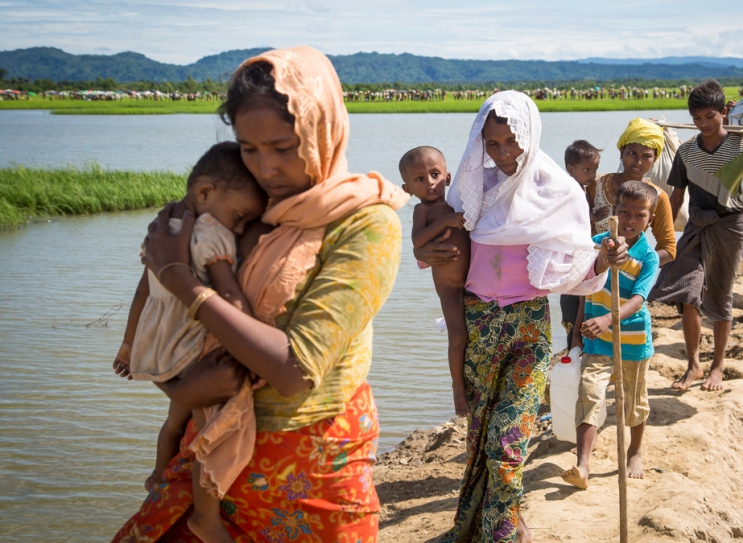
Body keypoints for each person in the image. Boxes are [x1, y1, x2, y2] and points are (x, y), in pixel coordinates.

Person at [112, 45, 409, 543]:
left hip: (311, 465)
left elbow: (295, 371)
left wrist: (183, 280)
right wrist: (181, 392)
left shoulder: (366, 223)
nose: (267, 168)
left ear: (322, 131)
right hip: (210, 453)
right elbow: (169, 338)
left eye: (284, 146)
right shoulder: (234, 214)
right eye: (249, 149)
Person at [416, 90, 628, 543]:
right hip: (479, 323)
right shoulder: (476, 188)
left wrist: (605, 260)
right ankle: (495, 522)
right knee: (480, 439)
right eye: (492, 145)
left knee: (507, 442)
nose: (504, 153)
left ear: (530, 134)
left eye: (512, 141)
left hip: (528, 327)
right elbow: (442, 247)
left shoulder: (559, 191)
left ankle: (506, 533)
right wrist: (425, 249)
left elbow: (574, 267)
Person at [112, 141, 267, 543]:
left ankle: (158, 478)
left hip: (158, 348)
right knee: (211, 433)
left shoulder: (164, 226)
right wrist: (254, 348)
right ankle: (206, 516)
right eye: (239, 216)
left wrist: (129, 346)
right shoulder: (212, 234)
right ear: (205, 193)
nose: (238, 228)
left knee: (174, 421)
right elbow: (229, 296)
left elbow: (142, 293)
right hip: (192, 350)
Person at [648, 80, 743, 392]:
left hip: (730, 228)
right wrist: (661, 236)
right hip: (695, 229)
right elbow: (676, 198)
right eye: (697, 119)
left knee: (719, 296)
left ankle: (717, 366)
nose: (704, 124)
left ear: (723, 113)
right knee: (689, 294)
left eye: (710, 117)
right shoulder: (687, 152)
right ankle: (693, 364)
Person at [561, 181, 660, 490]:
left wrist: (608, 318)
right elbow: (583, 291)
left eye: (638, 215)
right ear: (613, 213)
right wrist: (577, 331)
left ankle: (634, 451)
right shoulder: (597, 244)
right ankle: (583, 464)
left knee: (634, 402)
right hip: (596, 340)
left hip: (632, 342)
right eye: (623, 212)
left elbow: (639, 300)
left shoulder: (648, 257)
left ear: (650, 220)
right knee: (589, 395)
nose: (629, 221)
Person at [398, 146, 471, 417]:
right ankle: (457, 388)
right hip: (449, 287)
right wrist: (447, 222)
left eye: (435, 174)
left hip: (473, 283)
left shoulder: (459, 200)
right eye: (419, 179)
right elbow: (418, 240)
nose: (429, 182)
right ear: (408, 189)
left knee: (473, 333)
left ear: (448, 177)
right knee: (457, 336)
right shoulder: (422, 211)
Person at [587, 118, 677, 267]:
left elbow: (668, 249)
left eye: (646, 156)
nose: (638, 162)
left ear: (655, 159)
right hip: (591, 269)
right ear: (621, 153)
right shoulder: (595, 185)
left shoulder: (658, 197)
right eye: (632, 153)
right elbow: (574, 229)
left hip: (626, 276)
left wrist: (633, 265)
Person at [560, 139, 602, 350]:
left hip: (581, 257)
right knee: (573, 303)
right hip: (571, 258)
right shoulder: (569, 189)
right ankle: (573, 347)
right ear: (570, 168)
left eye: (595, 170)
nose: (592, 175)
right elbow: (573, 217)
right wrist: (593, 216)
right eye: (586, 169)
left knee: (580, 304)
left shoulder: (582, 187)